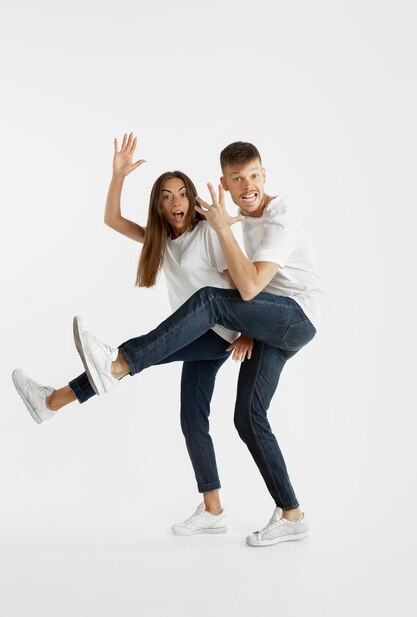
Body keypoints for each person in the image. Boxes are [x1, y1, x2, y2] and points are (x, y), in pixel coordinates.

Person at [69, 141, 325, 547]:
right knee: (247, 418)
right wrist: (118, 175)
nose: (247, 185)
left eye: (254, 176)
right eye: (238, 179)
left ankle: (116, 365)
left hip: (295, 318)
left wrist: (222, 228)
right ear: (224, 182)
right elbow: (116, 220)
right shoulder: (239, 215)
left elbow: (248, 286)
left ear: (265, 175)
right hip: (267, 321)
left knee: (207, 300)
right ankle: (289, 513)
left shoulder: (278, 219)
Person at [12, 133, 254, 535]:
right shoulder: (161, 241)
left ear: (192, 199)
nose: (175, 202)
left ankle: (55, 399)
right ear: (159, 205)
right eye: (165, 196)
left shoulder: (207, 234)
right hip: (201, 338)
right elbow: (112, 219)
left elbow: (237, 285)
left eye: (181, 194)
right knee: (193, 419)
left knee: (132, 359)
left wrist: (247, 332)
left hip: (221, 332)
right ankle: (213, 511)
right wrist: (118, 176)